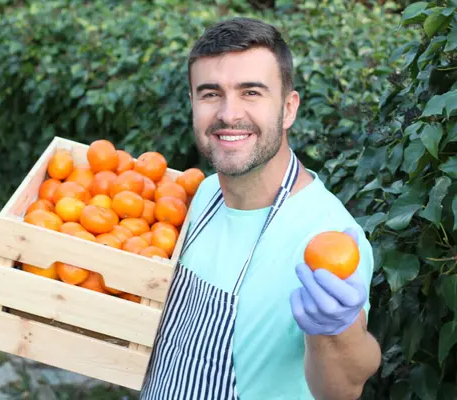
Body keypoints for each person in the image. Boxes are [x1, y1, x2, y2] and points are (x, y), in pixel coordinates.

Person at [139, 17, 381, 400]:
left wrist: (336, 330)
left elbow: (342, 389)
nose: (228, 113)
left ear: (288, 108)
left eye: (251, 92)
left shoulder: (325, 235)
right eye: (210, 93)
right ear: (192, 104)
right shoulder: (203, 195)